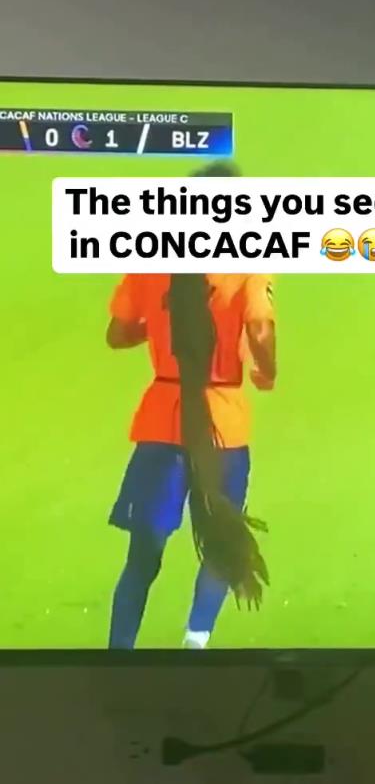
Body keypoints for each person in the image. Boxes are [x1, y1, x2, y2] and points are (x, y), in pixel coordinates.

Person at [107, 166, 277, 650]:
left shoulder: (149, 260)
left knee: (142, 556)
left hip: (162, 421)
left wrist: (163, 329)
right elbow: (260, 328)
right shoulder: (247, 263)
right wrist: (267, 371)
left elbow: (118, 334)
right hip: (223, 423)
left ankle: (118, 654)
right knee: (221, 540)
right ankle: (194, 645)